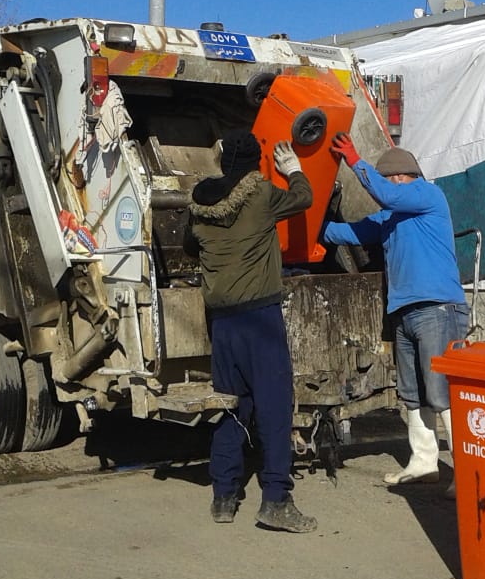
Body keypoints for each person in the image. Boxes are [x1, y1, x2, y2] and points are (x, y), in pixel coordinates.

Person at [183, 130, 318, 532]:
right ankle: (276, 499)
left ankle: (224, 495)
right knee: (274, 410)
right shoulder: (261, 197)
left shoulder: (199, 207)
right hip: (260, 320)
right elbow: (304, 197)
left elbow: (192, 248)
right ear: (256, 165)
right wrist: (293, 170)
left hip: (222, 325)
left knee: (230, 405)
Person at [323, 133, 468, 494]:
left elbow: (386, 195)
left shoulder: (427, 194)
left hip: (437, 308)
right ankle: (423, 463)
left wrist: (354, 160)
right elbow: (349, 232)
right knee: (413, 392)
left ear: (403, 178)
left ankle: (471, 472)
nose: (385, 188)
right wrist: (310, 223)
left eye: (389, 180)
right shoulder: (391, 216)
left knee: (442, 392)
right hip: (405, 311)